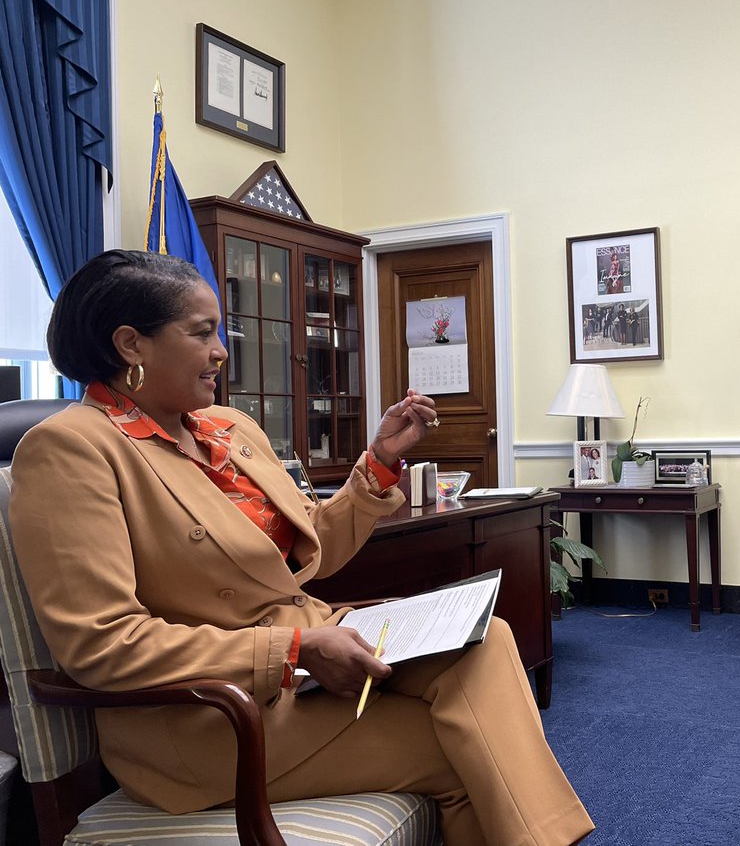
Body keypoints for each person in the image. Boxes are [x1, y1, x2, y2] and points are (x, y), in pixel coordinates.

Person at [10, 250, 593, 846]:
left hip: (301, 672)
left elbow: (308, 556)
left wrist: (381, 461)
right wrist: (292, 648)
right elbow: (102, 644)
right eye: (202, 332)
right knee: (471, 749)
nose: (222, 350)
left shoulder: (228, 428)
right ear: (132, 344)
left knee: (487, 638)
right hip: (208, 719)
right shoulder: (71, 448)